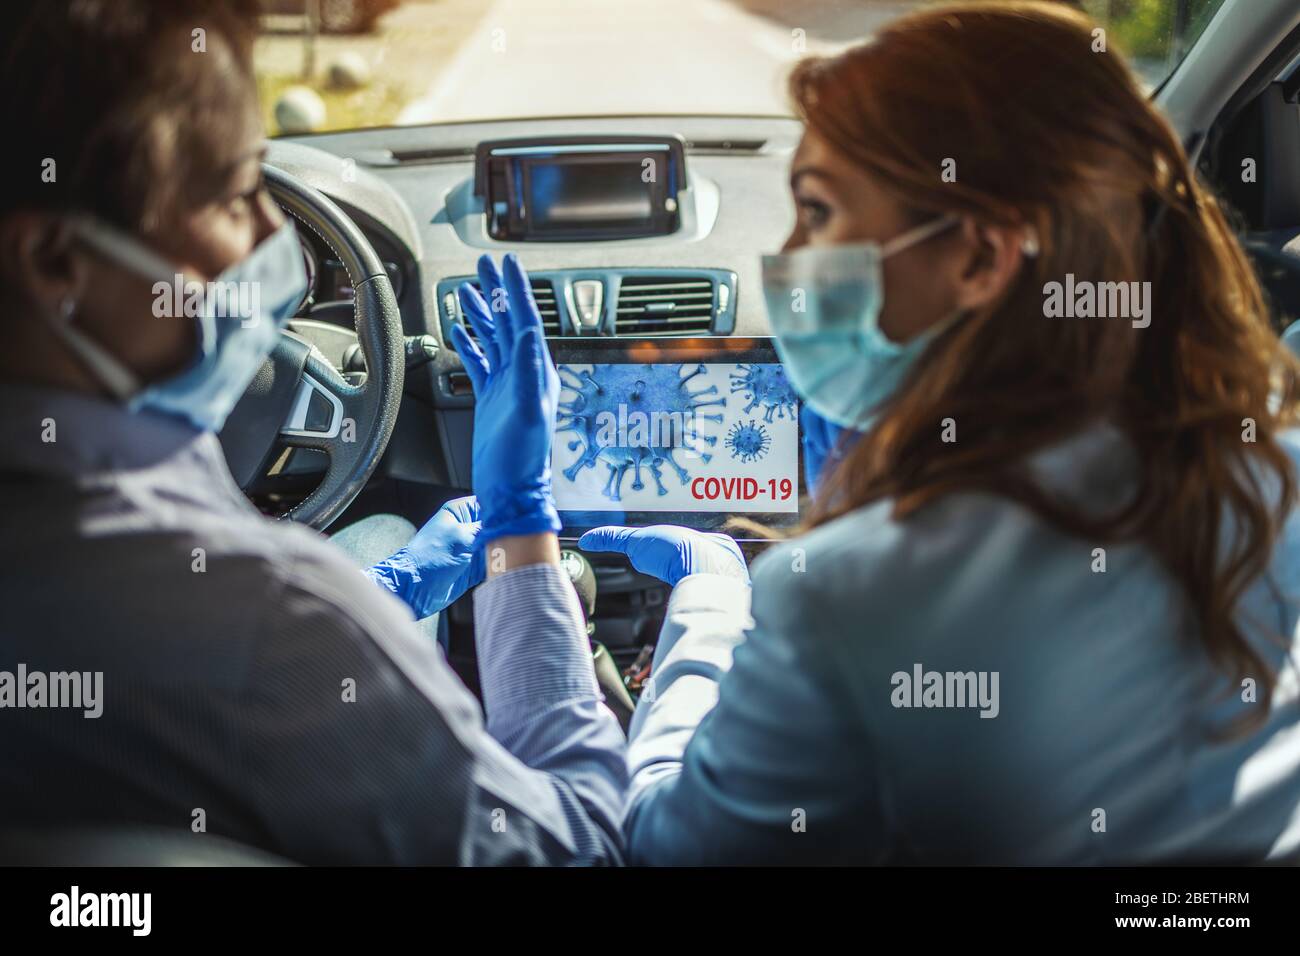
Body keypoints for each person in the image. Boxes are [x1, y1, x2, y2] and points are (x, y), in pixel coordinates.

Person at [562, 1, 1300, 863]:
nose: (789, 256)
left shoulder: (844, 594)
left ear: (982, 258)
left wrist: (709, 601)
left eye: (820, 212)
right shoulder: (1274, 467)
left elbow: (662, 845)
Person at [0, 0, 625, 865]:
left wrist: (395, 587)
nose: (274, 237)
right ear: (56, 262)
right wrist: (521, 524)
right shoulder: (279, 624)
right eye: (233, 194)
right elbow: (581, 844)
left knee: (386, 539)